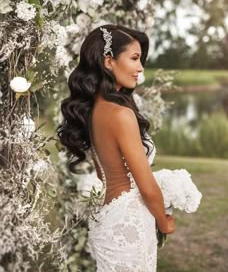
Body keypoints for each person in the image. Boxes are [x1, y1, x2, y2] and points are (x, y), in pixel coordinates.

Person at [57, 24, 176, 271]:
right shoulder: (121, 115)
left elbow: (106, 174)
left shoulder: (91, 111)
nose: (140, 68)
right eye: (134, 58)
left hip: (108, 217)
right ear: (109, 62)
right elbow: (145, 186)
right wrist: (164, 223)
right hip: (129, 222)